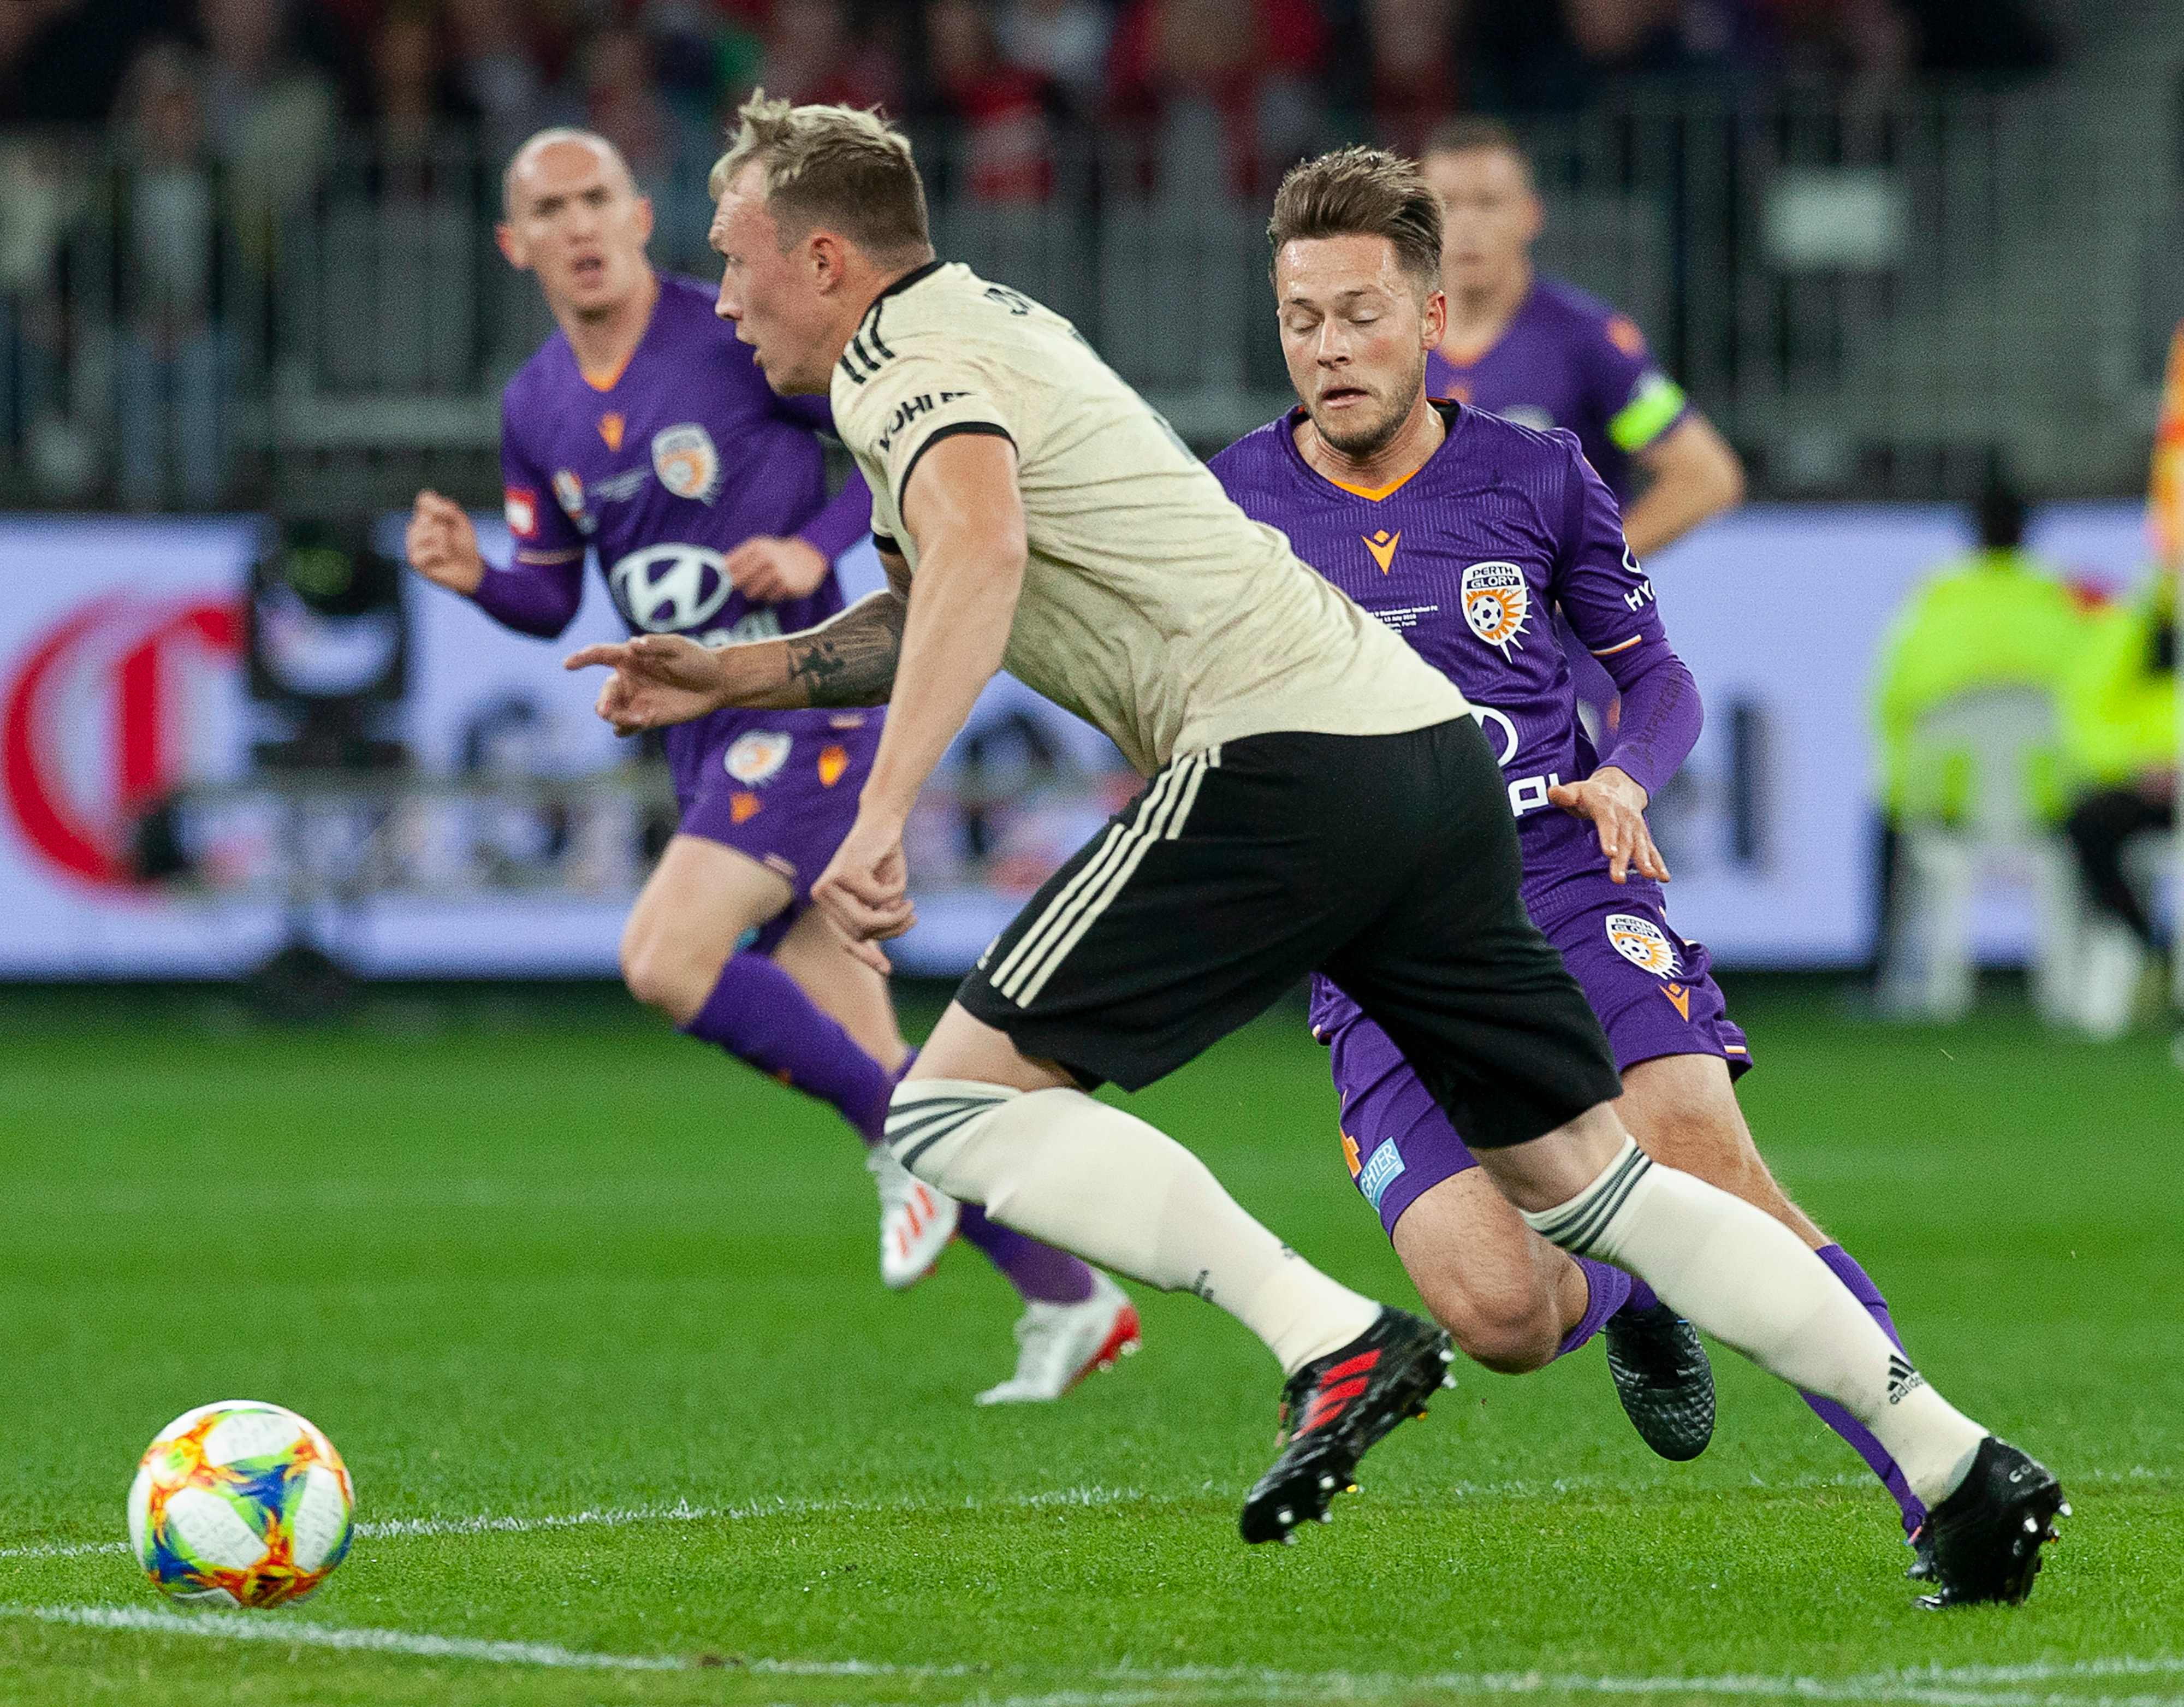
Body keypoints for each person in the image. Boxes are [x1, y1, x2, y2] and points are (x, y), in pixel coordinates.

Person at [571, 95, 2062, 1605]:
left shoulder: (899, 368)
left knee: (951, 1106)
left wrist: (883, 809)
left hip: (1279, 756)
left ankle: (1325, 1337)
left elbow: (982, 552)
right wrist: (738, 670)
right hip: (1419, 760)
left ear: (824, 258)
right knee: (1589, 1200)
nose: (722, 296)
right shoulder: (990, 323)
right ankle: (1960, 1465)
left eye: (734, 257)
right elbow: (931, 595)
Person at [1210, 144, 1962, 1567]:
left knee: (1703, 1161)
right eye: (1301, 319)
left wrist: (1622, 774)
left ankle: (1943, 1482)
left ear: (1429, 318)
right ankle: (1639, 1291)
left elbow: (1655, 677)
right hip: (1375, 939)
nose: (1329, 347)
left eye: (1359, 313)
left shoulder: (1538, 470)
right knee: (1501, 1315)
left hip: (1555, 874)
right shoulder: (1228, 503)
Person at [404, 128, 1136, 1407]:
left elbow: (884, 437)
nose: (578, 225)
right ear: (515, 244)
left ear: (638, 214)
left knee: (665, 956)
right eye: (549, 210)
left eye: (596, 198)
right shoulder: (536, 405)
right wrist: (477, 580)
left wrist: (813, 545)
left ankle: (898, 1150)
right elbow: (550, 594)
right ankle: (1070, 1294)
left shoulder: (733, 329)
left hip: (806, 702)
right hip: (704, 731)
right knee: (889, 1065)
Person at [1421, 116, 1743, 558]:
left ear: (1529, 215)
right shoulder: (1392, 340)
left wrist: (1590, 569)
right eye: (1446, 205)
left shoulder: (1587, 341)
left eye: (1488, 203)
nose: (1466, 225)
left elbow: (1707, 477)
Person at [1868, 479, 2082, 993]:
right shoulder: (2063, 607)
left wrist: (1902, 795)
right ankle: (2090, 979)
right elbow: (2089, 712)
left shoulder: (1936, 607)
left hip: (1949, 805)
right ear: (2027, 534)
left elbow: (1891, 709)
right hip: (2048, 805)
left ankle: (1887, 973)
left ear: (1973, 534)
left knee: (1886, 825)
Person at [2060, 571, 2177, 968]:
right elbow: (2089, 721)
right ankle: (2147, 949)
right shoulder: (2133, 626)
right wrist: (2139, 768)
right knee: (2089, 824)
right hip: (2152, 789)